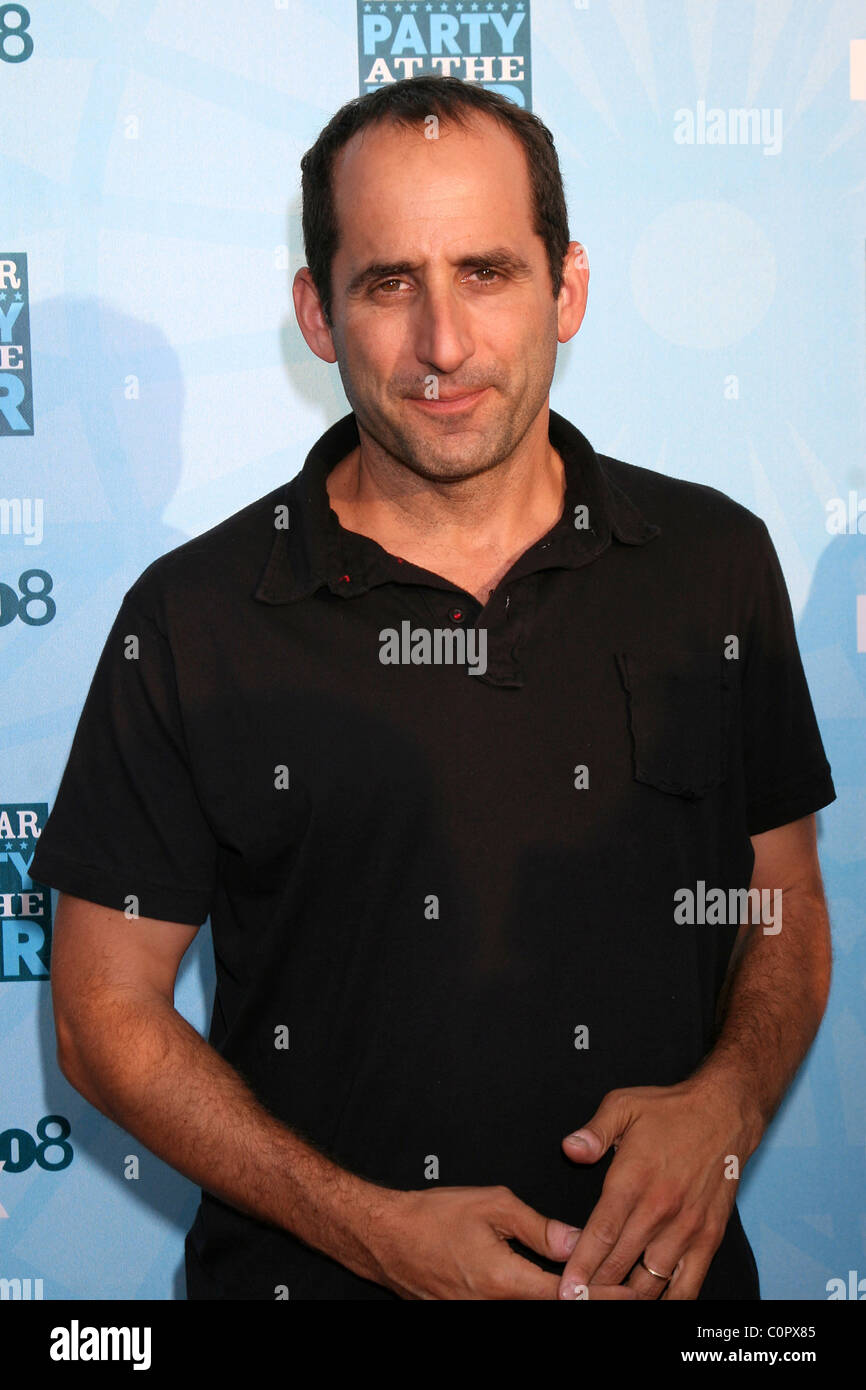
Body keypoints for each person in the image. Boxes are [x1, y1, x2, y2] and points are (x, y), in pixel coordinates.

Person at [32, 75, 835, 1302]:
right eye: (388, 283)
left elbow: (781, 901)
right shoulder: (193, 618)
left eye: (486, 272)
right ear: (317, 312)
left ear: (565, 287)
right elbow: (100, 1014)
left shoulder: (711, 561)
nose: (443, 345)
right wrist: (369, 1231)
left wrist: (726, 1101)